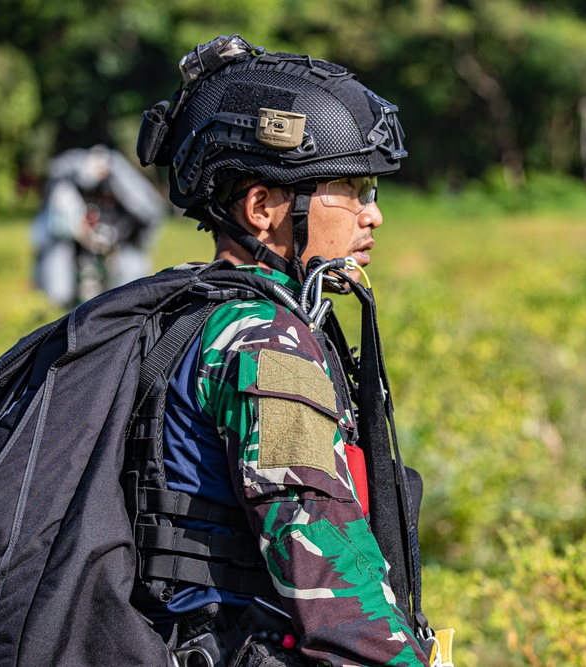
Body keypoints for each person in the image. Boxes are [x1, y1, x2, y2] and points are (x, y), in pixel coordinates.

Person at [132, 35, 431, 665]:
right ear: (263, 207)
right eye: (348, 188)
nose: (370, 214)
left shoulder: (181, 314)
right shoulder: (265, 341)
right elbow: (322, 559)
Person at [31, 144, 167, 308]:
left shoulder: (124, 188)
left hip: (118, 247)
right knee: (64, 288)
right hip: (78, 251)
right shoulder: (66, 184)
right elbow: (58, 224)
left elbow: (148, 213)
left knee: (129, 278)